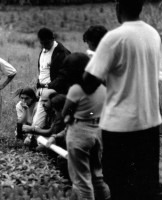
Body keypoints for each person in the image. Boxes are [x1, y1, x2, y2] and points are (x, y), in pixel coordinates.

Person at [82, 0, 162, 199]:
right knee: (146, 183)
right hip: (150, 122)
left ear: (118, 8)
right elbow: (154, 72)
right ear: (140, 7)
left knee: (118, 183)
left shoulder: (114, 38)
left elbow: (88, 83)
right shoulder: (153, 34)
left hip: (121, 126)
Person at [48, 53, 110, 200]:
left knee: (81, 180)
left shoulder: (76, 89)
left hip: (80, 133)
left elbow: (64, 112)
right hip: (98, 131)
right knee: (97, 175)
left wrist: (71, 115)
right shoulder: (102, 87)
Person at [32, 27, 71, 132]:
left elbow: (64, 76)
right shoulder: (43, 51)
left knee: (43, 121)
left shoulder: (62, 53)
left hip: (54, 92)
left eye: (47, 43)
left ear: (52, 38)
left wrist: (48, 87)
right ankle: (36, 139)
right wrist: (39, 86)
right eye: (42, 43)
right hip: (42, 90)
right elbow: (42, 71)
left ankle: (34, 138)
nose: (44, 45)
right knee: (41, 119)